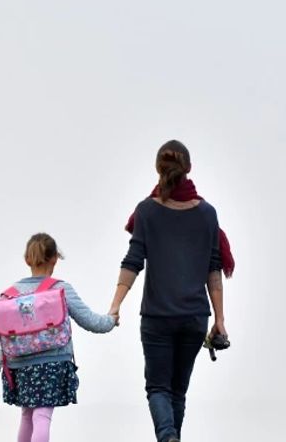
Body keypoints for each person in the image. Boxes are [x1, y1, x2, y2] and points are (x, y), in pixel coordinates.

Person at [109, 140, 234, 442]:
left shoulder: (146, 212)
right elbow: (213, 270)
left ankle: (167, 437)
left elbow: (133, 261)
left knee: (158, 389)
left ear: (158, 169)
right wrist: (220, 319)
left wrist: (115, 306)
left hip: (157, 317)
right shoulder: (207, 214)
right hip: (195, 317)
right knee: (178, 391)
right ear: (188, 169)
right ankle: (171, 437)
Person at [0, 233, 116, 442]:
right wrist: (111, 320)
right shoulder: (60, 288)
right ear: (55, 259)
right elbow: (89, 321)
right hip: (51, 362)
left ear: (27, 260)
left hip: (19, 364)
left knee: (27, 415)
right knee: (42, 415)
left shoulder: (10, 295)